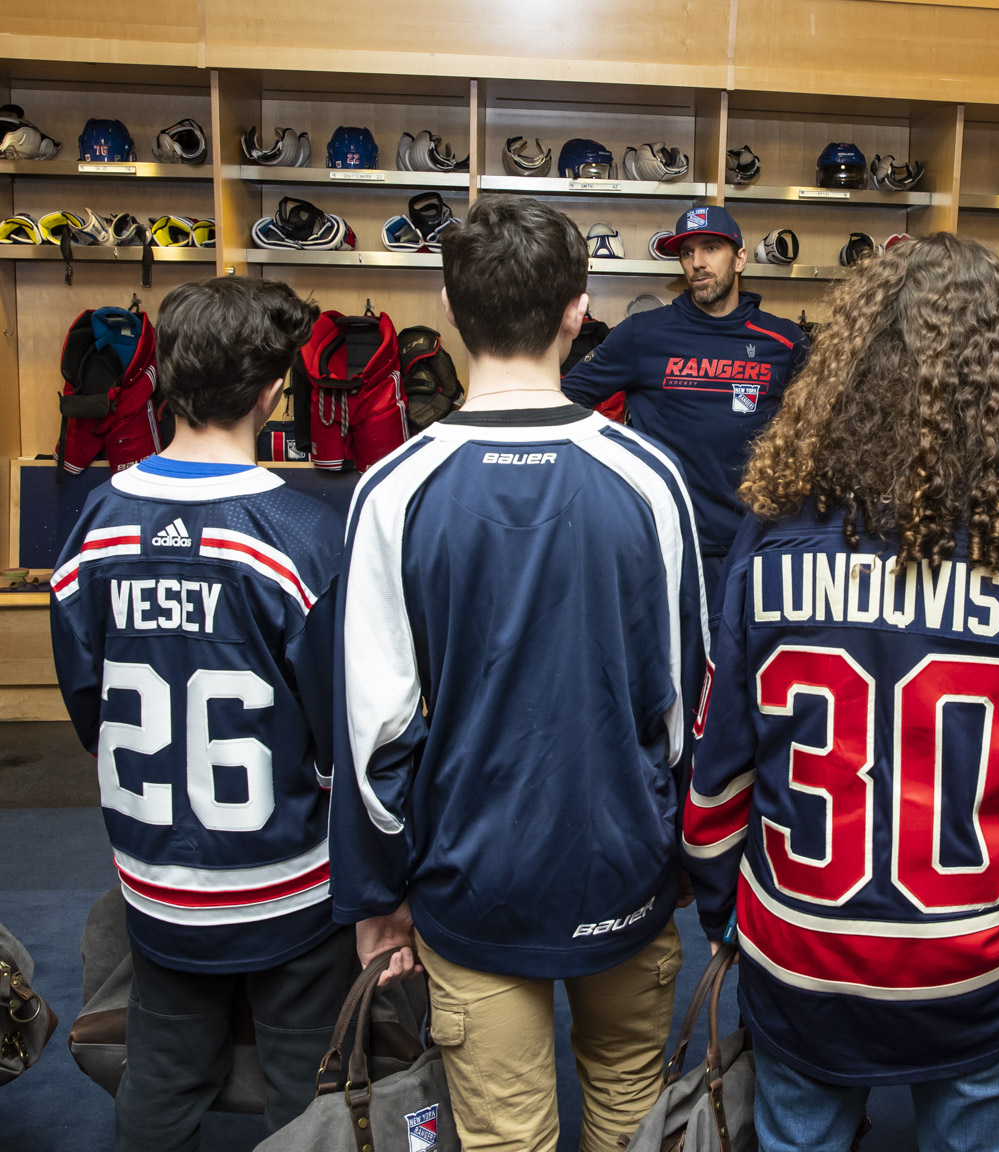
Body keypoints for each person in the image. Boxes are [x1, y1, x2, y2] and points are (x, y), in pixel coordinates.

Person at [680, 232, 999, 1152]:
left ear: (848, 369)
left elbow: (716, 770)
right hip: (977, 956)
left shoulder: (772, 536)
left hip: (802, 951)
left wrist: (720, 910)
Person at [328, 195, 707, 1152]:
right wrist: (689, 857)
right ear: (579, 311)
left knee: (505, 1134)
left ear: (452, 311)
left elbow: (374, 734)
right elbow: (684, 705)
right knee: (630, 1112)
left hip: (470, 879)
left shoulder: (394, 488)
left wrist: (380, 900)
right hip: (624, 862)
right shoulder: (650, 478)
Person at [47, 277, 353, 1150]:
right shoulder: (301, 532)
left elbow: (87, 701)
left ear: (164, 382)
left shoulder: (97, 523)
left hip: (157, 874)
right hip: (289, 878)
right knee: (307, 1079)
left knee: (162, 1069)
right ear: (271, 391)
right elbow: (343, 728)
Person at [561, 203, 809, 590]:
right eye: (687, 252)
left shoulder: (784, 341)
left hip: (761, 543)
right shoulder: (642, 335)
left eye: (711, 247)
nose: (697, 262)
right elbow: (566, 400)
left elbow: (819, 429)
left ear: (740, 258)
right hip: (671, 545)